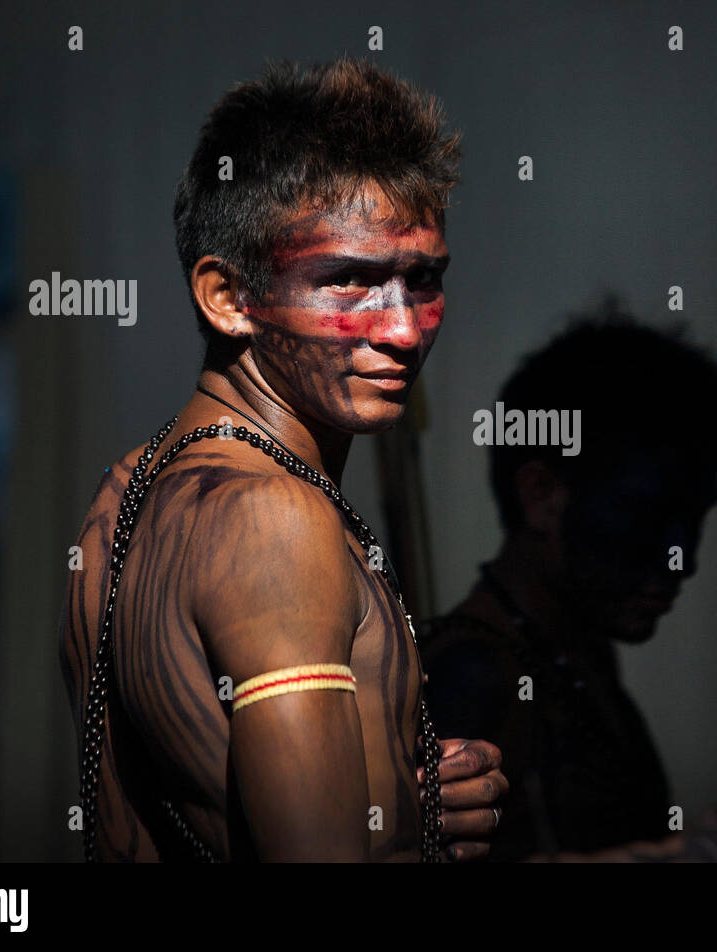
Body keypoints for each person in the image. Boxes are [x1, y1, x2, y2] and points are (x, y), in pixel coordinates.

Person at [60, 57, 507, 862]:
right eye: (349, 282)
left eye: (423, 279)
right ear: (228, 298)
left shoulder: (122, 499)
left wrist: (404, 802)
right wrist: (423, 836)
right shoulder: (273, 518)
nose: (403, 330)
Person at [423, 306, 717, 860]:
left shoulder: (573, 659)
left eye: (695, 518)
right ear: (542, 495)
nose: (683, 559)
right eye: (649, 516)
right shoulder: (473, 680)